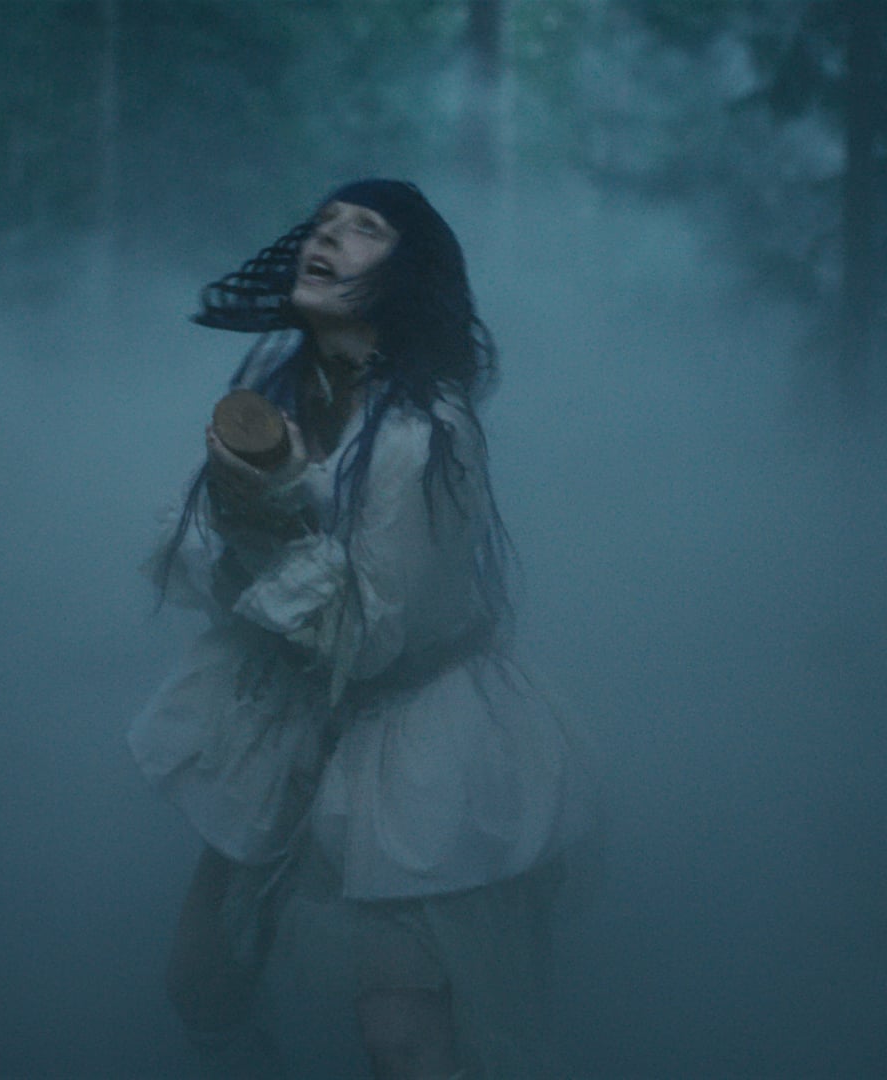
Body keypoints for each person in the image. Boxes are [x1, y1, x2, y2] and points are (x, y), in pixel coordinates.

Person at [130, 179, 592, 1080]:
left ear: (405, 274)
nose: (329, 236)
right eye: (324, 223)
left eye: (364, 228)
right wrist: (249, 509)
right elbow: (200, 563)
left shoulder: (428, 432)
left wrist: (272, 512)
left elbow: (374, 639)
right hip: (293, 716)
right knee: (201, 982)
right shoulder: (277, 392)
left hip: (416, 735)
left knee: (403, 1039)